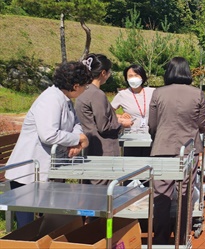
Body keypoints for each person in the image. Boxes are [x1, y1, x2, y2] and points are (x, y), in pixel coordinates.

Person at [4, 61, 91, 229]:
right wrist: (77, 139)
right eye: (84, 86)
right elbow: (49, 134)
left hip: (46, 169)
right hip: (28, 171)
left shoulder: (65, 99)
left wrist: (78, 137)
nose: (84, 90)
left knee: (46, 222)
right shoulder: (50, 99)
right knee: (26, 226)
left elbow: (76, 123)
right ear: (75, 86)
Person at [148, 57, 205, 244]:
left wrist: (157, 136)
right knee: (185, 193)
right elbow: (202, 123)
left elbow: (152, 124)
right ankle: (181, 237)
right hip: (188, 149)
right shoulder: (198, 93)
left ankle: (160, 237)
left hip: (162, 147)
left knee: (161, 195)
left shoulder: (158, 93)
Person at [75, 54, 132, 162]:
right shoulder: (97, 94)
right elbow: (104, 126)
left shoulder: (83, 91)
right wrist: (122, 124)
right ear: (103, 73)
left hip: (88, 145)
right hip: (103, 148)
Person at [111, 64, 155, 157]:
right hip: (131, 137)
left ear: (142, 76)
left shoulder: (152, 92)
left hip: (150, 137)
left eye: (136, 75)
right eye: (130, 76)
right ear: (126, 78)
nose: (133, 78)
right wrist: (120, 117)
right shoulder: (122, 94)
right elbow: (108, 112)